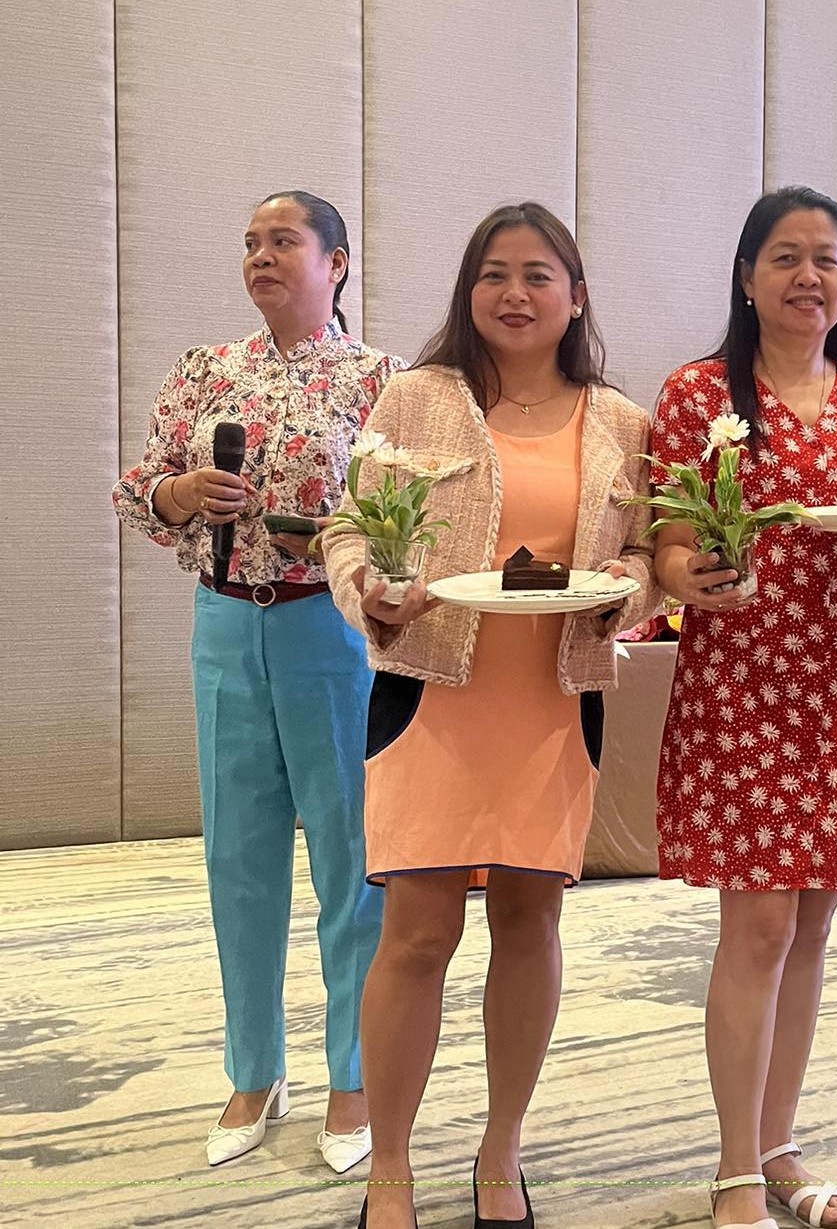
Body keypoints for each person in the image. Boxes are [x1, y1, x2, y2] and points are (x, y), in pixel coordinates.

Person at [323, 202, 658, 1229]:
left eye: (538, 275)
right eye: (493, 274)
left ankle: (501, 1148)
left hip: (553, 703)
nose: (515, 293)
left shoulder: (621, 421)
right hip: (431, 692)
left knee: (529, 921)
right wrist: (369, 590)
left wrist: (627, 593)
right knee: (416, 933)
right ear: (469, 291)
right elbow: (348, 527)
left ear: (576, 296)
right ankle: (389, 1165)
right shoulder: (418, 398)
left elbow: (644, 553)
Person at [649, 186, 837, 1229]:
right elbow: (667, 540)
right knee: (758, 924)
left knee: (811, 925)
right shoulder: (698, 394)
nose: (809, 276)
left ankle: (777, 1144)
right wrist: (687, 572)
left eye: (827, 258)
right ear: (748, 277)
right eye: (786, 256)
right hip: (743, 682)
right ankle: (734, 1168)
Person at [113, 191, 401, 1173]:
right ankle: (254, 1069)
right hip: (227, 621)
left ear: (337, 263)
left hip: (332, 626)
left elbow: (406, 510)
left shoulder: (380, 382)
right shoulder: (206, 371)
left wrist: (355, 541)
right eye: (250, 243)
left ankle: (353, 1074)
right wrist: (179, 492)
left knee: (352, 856)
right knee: (238, 855)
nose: (261, 255)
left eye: (284, 240)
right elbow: (138, 488)